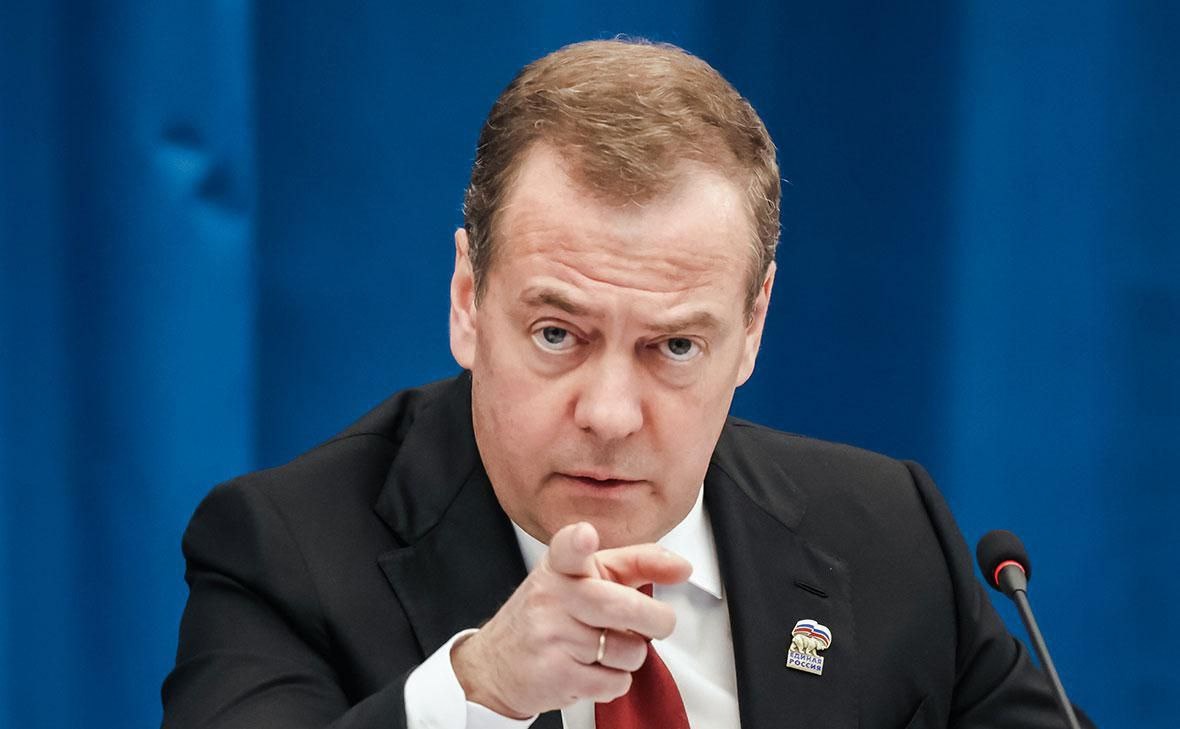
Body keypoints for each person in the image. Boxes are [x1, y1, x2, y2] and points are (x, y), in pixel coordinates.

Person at [161, 39, 1093, 729]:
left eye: (674, 346)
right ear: (467, 301)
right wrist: (480, 690)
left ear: (752, 329)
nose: (608, 414)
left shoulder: (888, 535)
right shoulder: (285, 552)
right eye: (557, 334)